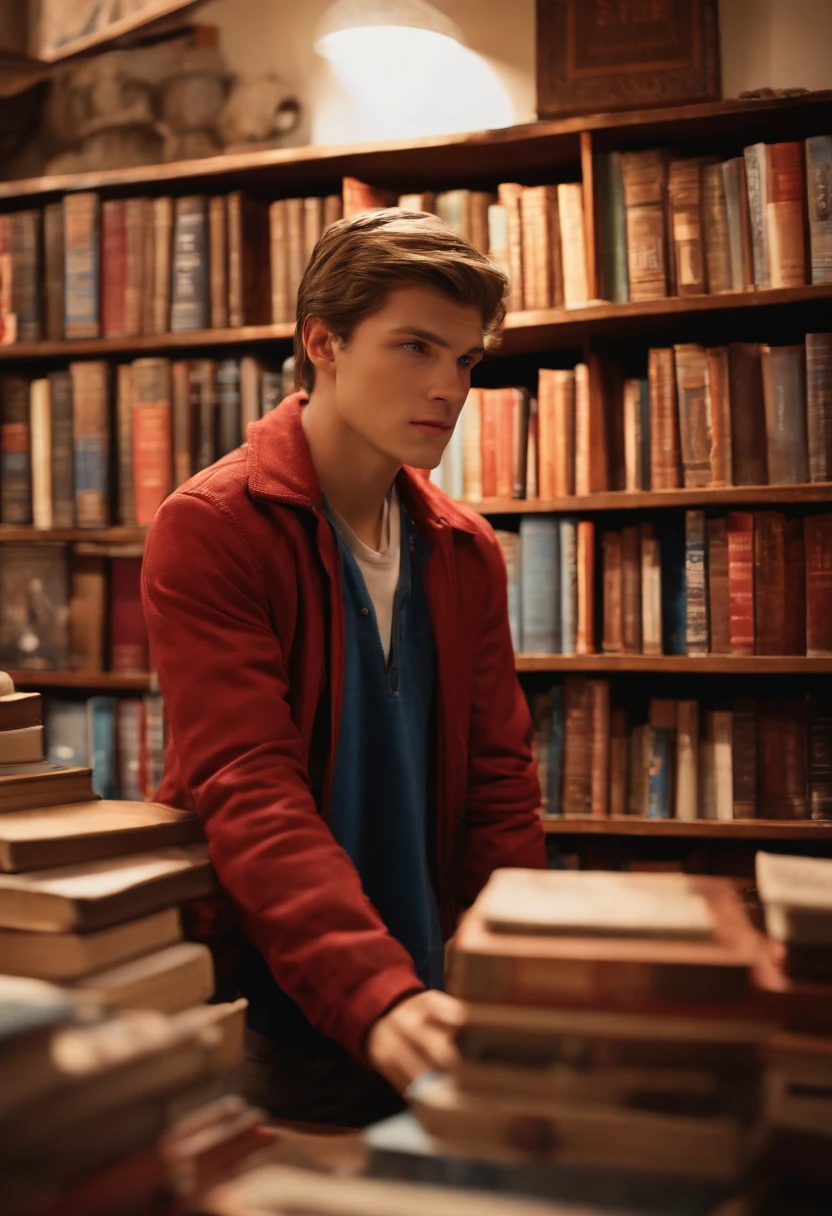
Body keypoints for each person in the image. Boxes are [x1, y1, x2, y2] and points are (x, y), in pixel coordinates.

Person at [142, 209, 547, 1127]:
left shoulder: (465, 549)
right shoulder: (213, 526)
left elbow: (499, 787)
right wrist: (375, 993)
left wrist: (514, 980)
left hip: (443, 1004)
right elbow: (249, 788)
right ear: (322, 342)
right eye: (415, 347)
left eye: (467, 360)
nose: (448, 386)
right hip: (267, 1010)